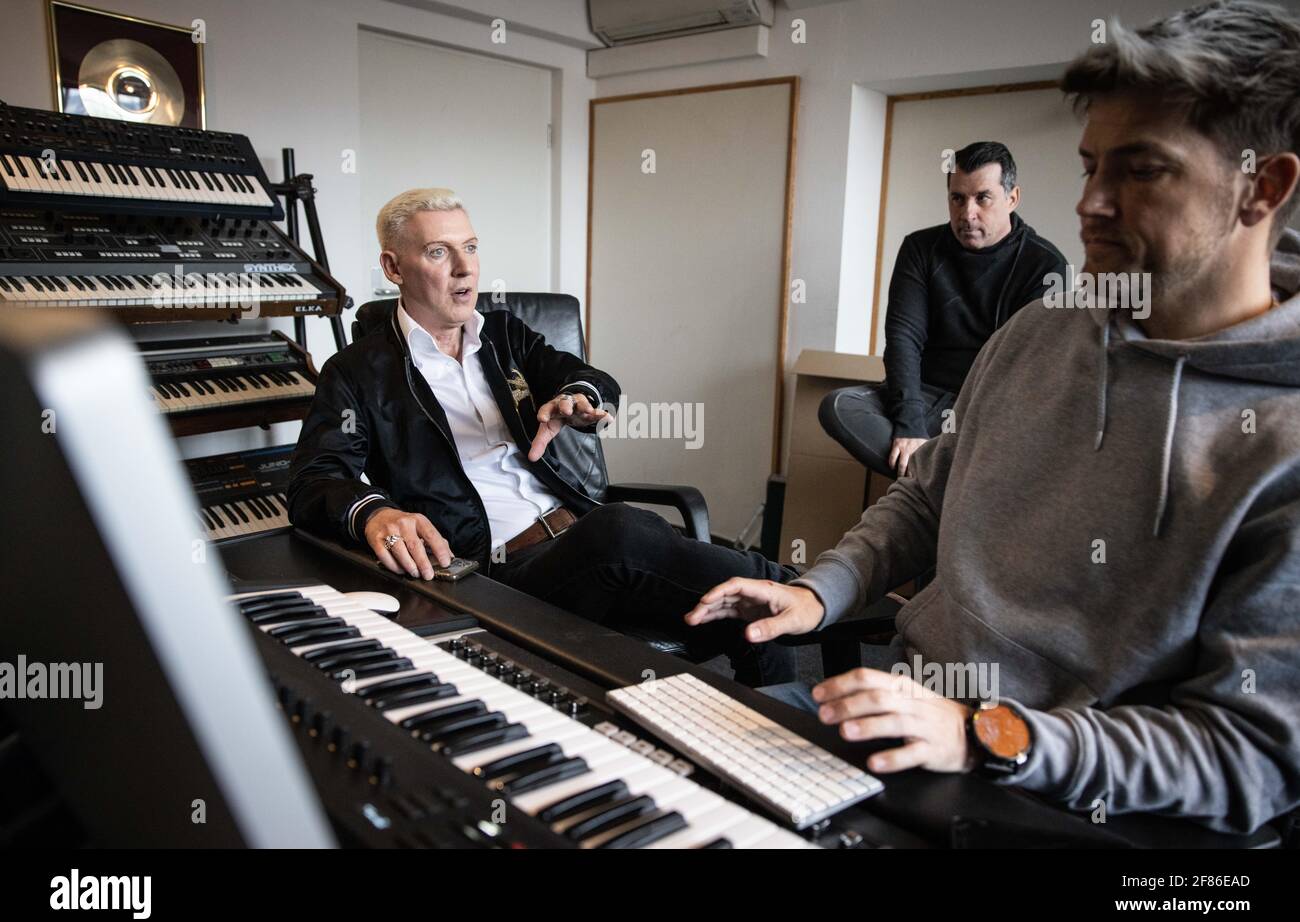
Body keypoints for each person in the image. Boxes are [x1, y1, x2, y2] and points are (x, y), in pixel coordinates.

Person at [687, 0, 1300, 832]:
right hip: (904, 716)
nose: (1093, 202)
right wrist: (820, 591)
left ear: (1262, 186)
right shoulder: (1037, 334)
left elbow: (1251, 755)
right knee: (654, 764)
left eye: (1141, 170)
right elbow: (925, 494)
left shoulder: (1282, 440)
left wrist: (987, 736)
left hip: (1065, 800)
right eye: (1091, 167)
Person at [288, 188, 796, 686]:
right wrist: (376, 512)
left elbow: (585, 376)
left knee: (750, 611)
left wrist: (576, 397)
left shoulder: (505, 335)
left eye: (470, 247)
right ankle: (808, 589)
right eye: (439, 252)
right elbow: (315, 478)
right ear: (394, 268)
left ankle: (790, 734)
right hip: (497, 570)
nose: (465, 268)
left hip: (580, 539)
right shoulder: (358, 371)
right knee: (620, 531)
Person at [822, 141, 1067, 477]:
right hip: (923, 398)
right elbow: (904, 337)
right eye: (957, 198)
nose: (967, 213)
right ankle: (941, 477)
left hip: (985, 409)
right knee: (838, 407)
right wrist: (910, 426)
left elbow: (1024, 369)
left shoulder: (1044, 264)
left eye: (982, 197)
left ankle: (932, 478)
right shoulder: (920, 249)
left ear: (1012, 199)